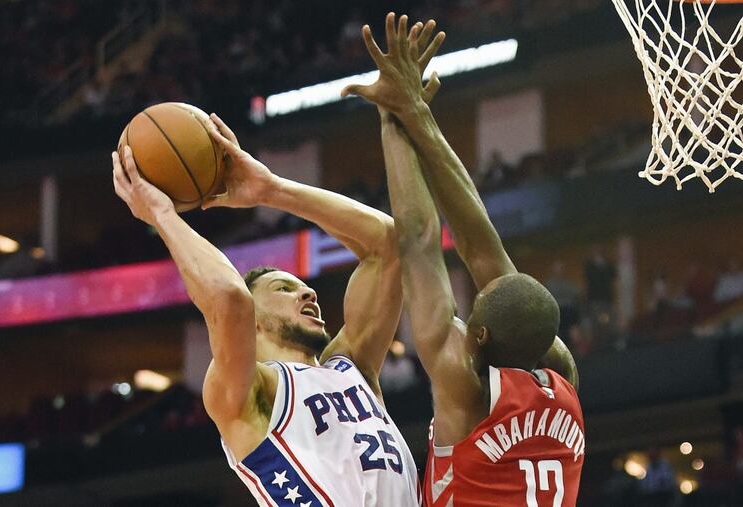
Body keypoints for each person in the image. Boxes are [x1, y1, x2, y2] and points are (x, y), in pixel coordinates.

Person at [110, 108, 424, 504]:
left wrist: (272, 189)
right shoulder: (248, 392)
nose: (307, 294)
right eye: (284, 288)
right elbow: (229, 297)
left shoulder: (351, 367)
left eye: (304, 287)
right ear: (254, 321)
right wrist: (161, 213)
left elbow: (388, 245)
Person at [344, 13, 584, 506]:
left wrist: (394, 117)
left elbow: (417, 239)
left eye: (472, 310)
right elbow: (479, 246)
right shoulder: (561, 374)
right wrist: (415, 114)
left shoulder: (464, 383)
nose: (467, 301)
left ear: (478, 335)